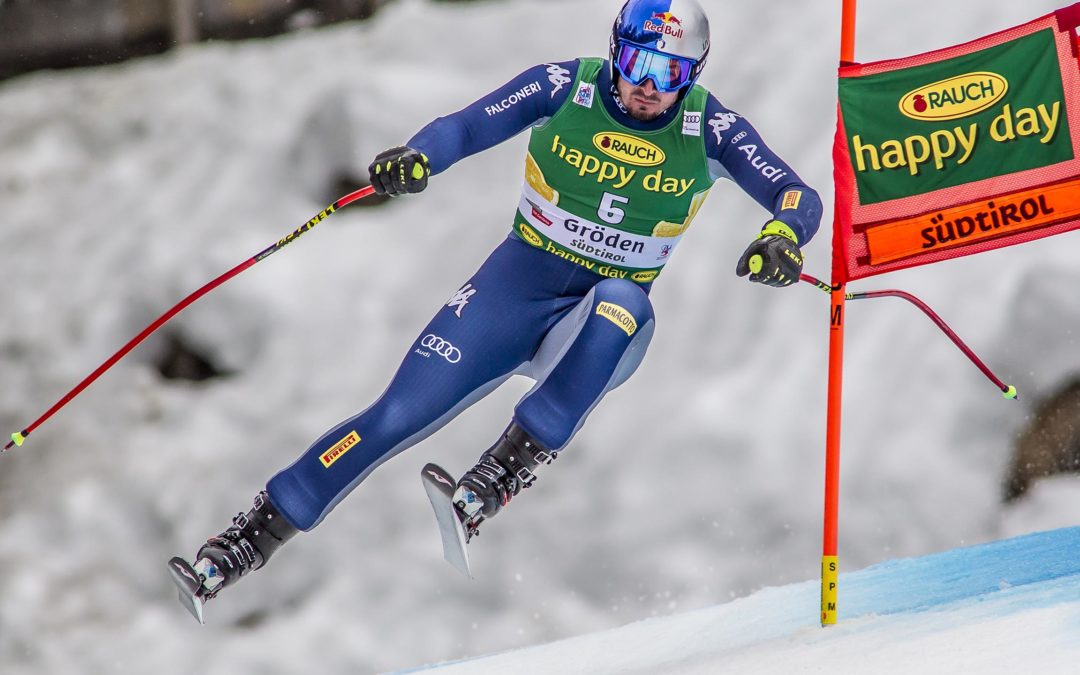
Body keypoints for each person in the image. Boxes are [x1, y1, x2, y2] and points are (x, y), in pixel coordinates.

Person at [167, 0, 822, 622]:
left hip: (594, 329)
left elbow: (796, 194)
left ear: (694, 76)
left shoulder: (708, 126)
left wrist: (782, 237)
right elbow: (469, 124)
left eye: (670, 73)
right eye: (638, 64)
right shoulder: (567, 87)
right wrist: (421, 155)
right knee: (395, 414)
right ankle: (243, 542)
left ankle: (499, 476)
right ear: (615, 52)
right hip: (516, 286)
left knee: (623, 300)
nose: (649, 85)